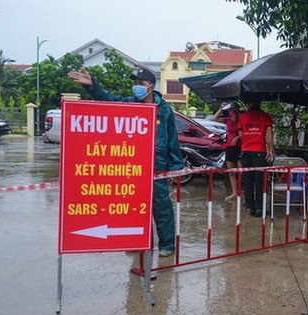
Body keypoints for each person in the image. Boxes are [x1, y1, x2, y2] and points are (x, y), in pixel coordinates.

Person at [67, 67, 184, 258]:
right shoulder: (129, 104)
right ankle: (134, 240)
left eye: (140, 84)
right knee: (133, 207)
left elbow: (173, 139)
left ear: (151, 87)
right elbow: (108, 100)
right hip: (132, 165)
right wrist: (92, 86)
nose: (136, 87)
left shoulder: (164, 109)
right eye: (134, 83)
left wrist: (176, 167)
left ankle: (167, 244)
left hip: (157, 166)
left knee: (161, 207)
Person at [238, 100, 274, 216]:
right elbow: (269, 134)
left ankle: (250, 207)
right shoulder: (265, 116)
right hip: (259, 151)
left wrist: (249, 140)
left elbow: (240, 135)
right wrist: (271, 150)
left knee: (248, 180)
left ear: (249, 104)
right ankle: (259, 208)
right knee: (260, 181)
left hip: (246, 151)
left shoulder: (243, 116)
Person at [212, 102, 242, 201]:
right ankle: (235, 193)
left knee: (241, 171)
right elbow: (214, 118)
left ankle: (242, 191)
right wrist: (221, 108)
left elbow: (244, 133)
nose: (233, 113)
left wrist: (237, 138)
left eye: (234, 110)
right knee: (231, 172)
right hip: (229, 147)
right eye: (231, 110)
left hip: (239, 147)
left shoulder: (241, 120)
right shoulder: (227, 120)